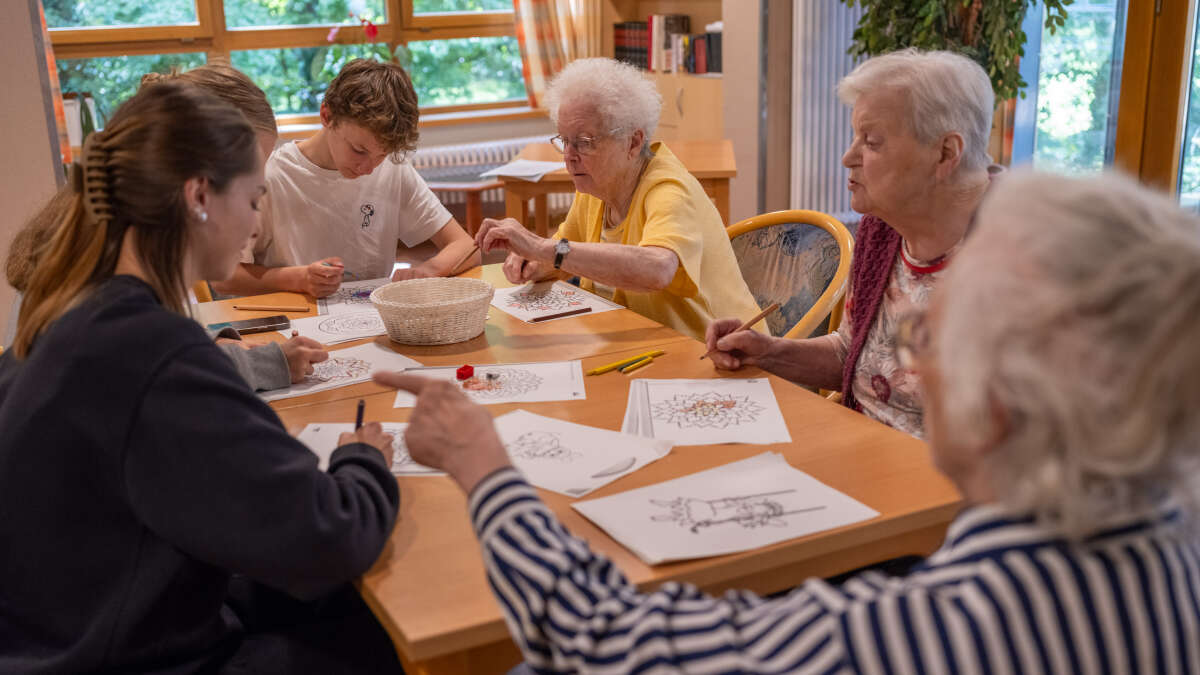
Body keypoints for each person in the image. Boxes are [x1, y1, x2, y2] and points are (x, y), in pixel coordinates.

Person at [377, 169, 1200, 671]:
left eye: (928, 333)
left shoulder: (947, 624)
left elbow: (609, 637)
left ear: (997, 406)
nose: (907, 361)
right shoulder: (1170, 539)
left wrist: (485, 465)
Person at [0, 81, 402, 673]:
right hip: (125, 652)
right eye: (254, 198)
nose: (256, 221)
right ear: (198, 197)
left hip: (74, 628)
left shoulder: (73, 310)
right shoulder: (153, 353)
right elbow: (332, 536)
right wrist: (363, 460)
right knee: (388, 637)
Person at [708, 49, 1000, 437]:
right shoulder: (882, 231)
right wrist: (766, 351)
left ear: (946, 153)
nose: (848, 157)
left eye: (872, 141)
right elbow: (854, 355)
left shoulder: (1020, 262)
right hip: (865, 455)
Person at [3, 63, 327, 392]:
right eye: (247, 189)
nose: (253, 217)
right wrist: (264, 363)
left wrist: (211, 347)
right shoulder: (114, 288)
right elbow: (154, 366)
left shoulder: (110, 238)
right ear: (196, 184)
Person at [474, 57, 763, 342]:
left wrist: (541, 247)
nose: (568, 156)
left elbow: (658, 269)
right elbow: (564, 254)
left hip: (719, 353)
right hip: (641, 345)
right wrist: (535, 261)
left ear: (633, 143)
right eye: (564, 140)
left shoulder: (668, 188)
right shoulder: (596, 189)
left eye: (585, 143)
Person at [215, 58, 479, 298]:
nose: (369, 168)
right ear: (327, 116)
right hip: (296, 323)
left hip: (368, 322)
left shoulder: (392, 169)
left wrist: (429, 269)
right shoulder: (272, 175)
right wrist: (298, 278)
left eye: (382, 155)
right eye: (359, 150)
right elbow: (224, 278)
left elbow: (467, 247)